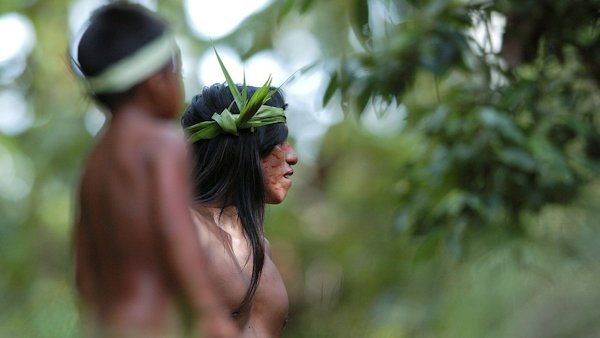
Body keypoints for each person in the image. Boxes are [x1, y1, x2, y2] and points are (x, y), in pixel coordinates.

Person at [71, 2, 237, 337]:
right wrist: (208, 309)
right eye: (176, 70)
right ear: (155, 81)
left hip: (101, 325)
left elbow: (84, 271)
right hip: (150, 324)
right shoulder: (161, 142)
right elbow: (173, 227)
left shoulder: (94, 161)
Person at [181, 67, 298, 337]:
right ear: (245, 150)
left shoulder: (260, 248)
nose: (292, 157)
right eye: (278, 142)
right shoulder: (184, 229)